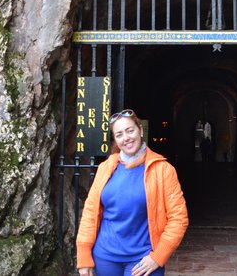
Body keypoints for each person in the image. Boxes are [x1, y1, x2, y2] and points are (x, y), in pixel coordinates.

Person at [77, 109, 189, 276]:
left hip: (143, 258)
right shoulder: (105, 168)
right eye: (119, 134)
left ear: (140, 130)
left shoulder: (163, 170)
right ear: (115, 139)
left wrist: (158, 257)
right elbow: (90, 212)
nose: (126, 138)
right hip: (105, 257)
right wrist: (84, 254)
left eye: (130, 130)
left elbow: (179, 219)